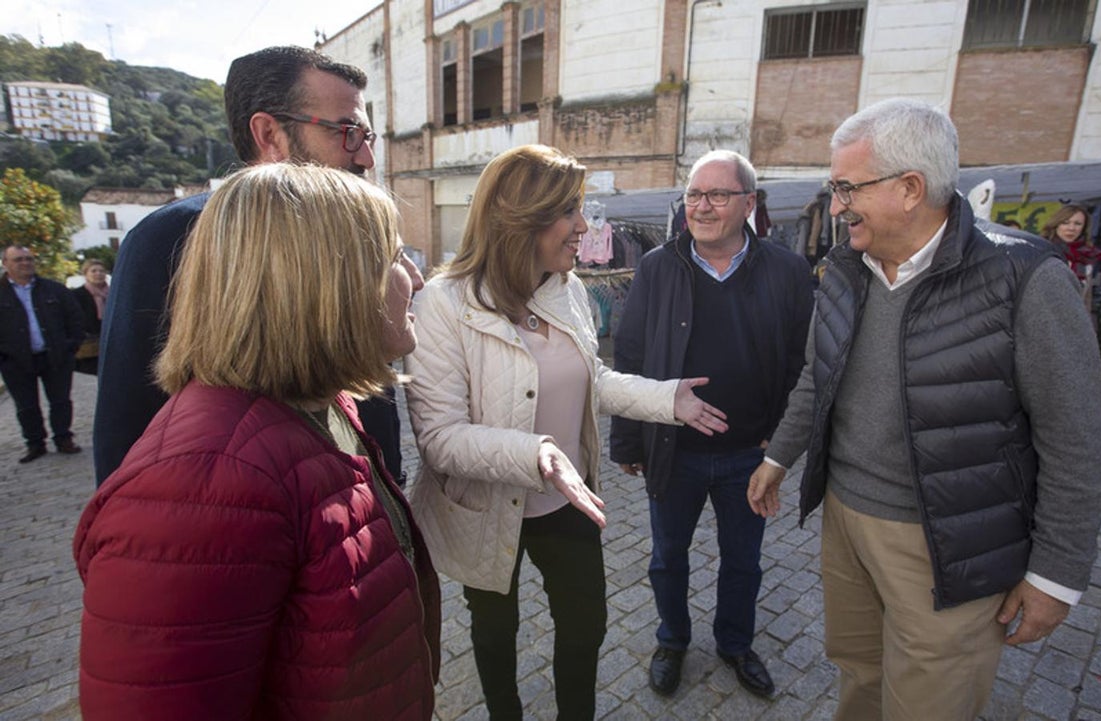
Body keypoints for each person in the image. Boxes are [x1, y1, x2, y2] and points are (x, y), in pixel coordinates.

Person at [746, 98, 1101, 721]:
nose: (835, 206)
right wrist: (779, 456)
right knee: (859, 675)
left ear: (910, 188)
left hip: (952, 543)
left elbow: (1076, 438)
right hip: (846, 520)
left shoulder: (1024, 277)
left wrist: (1055, 574)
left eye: (845, 188)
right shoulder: (842, 269)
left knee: (930, 702)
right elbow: (817, 377)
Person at [73, 163, 439, 721]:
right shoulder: (203, 485)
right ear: (322, 282)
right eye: (391, 256)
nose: (414, 276)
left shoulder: (318, 404)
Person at [405, 144, 728, 720]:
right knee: (495, 630)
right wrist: (538, 456)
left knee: (586, 625)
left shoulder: (567, 288)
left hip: (567, 498)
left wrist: (665, 398)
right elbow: (440, 438)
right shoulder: (442, 305)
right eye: (570, 212)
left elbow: (591, 380)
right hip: (485, 506)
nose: (584, 226)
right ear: (521, 219)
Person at [92, 45, 421, 485]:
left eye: (367, 137)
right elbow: (129, 420)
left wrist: (387, 483)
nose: (366, 157)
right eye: (347, 132)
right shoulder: (170, 239)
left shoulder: (357, 227)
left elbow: (368, 380)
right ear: (269, 134)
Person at [609, 150, 813, 699]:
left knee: (743, 561)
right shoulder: (657, 266)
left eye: (718, 195)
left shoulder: (788, 271)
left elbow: (801, 362)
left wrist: (782, 440)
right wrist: (629, 437)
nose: (702, 206)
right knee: (666, 557)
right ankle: (672, 639)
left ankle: (735, 643)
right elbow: (628, 354)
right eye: (694, 195)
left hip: (751, 453)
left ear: (749, 203)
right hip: (673, 450)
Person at [0, 245, 84, 463]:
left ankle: (63, 438)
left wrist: (70, 346)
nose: (25, 263)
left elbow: (75, 318)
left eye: (28, 259)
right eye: (18, 259)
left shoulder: (53, 290)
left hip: (55, 356)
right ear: (5, 263)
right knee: (26, 405)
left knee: (60, 401)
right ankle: (35, 443)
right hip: (15, 361)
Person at [1041, 203, 1101, 281]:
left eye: (1078, 224)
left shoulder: (1088, 254)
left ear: (1084, 228)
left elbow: (1087, 288)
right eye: (1065, 223)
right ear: (1056, 224)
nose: (1071, 228)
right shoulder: (1042, 249)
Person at [71, 258, 108, 376]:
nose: (98, 274)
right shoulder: (77, 295)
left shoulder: (113, 292)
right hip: (88, 344)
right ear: (85, 274)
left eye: (101, 271)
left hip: (109, 340)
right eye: (94, 271)